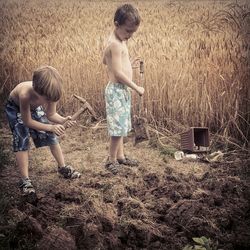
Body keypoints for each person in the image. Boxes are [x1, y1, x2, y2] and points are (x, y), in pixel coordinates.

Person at [5, 65, 81, 195]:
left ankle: (62, 167)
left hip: (33, 108)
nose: (48, 101)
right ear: (36, 90)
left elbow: (51, 114)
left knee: (51, 135)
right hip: (16, 108)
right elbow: (27, 121)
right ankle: (25, 180)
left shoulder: (50, 92)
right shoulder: (25, 95)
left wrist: (63, 120)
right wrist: (51, 126)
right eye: (47, 99)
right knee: (22, 138)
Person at [103, 4, 145, 174]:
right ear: (116, 24)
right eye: (128, 31)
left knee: (121, 126)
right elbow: (118, 74)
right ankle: (111, 160)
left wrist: (128, 62)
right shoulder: (115, 44)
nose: (130, 35)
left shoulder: (117, 40)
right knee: (117, 129)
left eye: (133, 33)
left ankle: (121, 157)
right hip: (116, 91)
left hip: (122, 91)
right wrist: (136, 88)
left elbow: (105, 61)